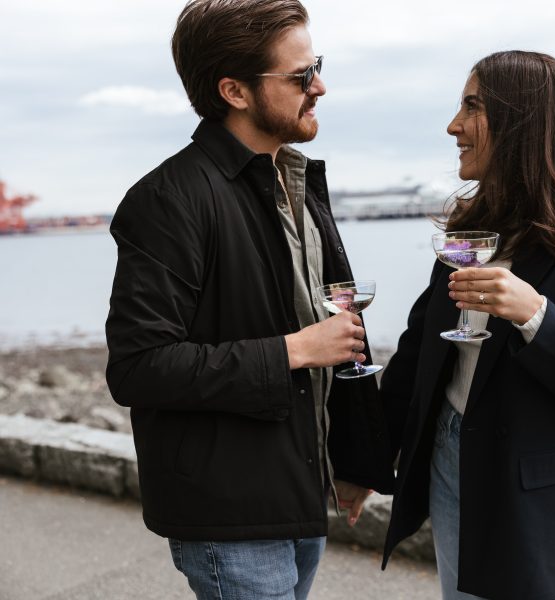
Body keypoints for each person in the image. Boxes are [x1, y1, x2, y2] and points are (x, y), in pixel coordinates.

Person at [104, 1, 394, 598]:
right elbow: (137, 368)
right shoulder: (167, 200)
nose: (320, 86)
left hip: (300, 492)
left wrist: (354, 460)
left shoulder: (295, 182)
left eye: (318, 66)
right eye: (299, 76)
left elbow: (337, 333)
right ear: (234, 90)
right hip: (229, 512)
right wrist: (292, 350)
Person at [380, 51, 555, 600]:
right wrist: (365, 461)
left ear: (522, 122)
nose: (453, 126)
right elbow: (420, 353)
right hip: (452, 459)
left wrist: (535, 315)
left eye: (472, 107)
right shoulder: (473, 231)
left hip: (548, 491)